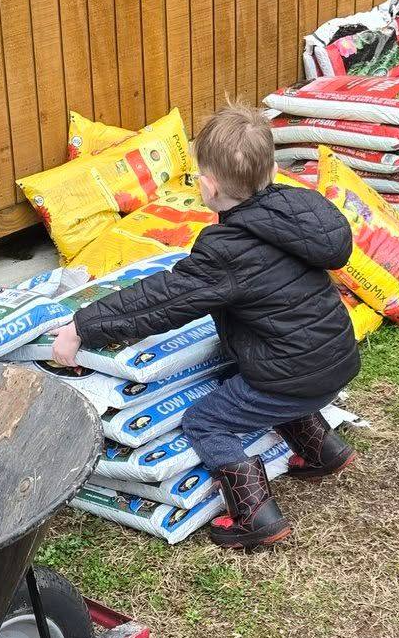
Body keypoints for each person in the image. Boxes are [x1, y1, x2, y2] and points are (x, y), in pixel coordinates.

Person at [54, 103, 361, 550]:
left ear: (207, 186)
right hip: (335, 360)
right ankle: (324, 450)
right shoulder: (302, 213)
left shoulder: (228, 249)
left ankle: (256, 516)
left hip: (292, 377)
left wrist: (84, 324)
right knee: (268, 375)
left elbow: (167, 300)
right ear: (272, 170)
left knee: (207, 420)